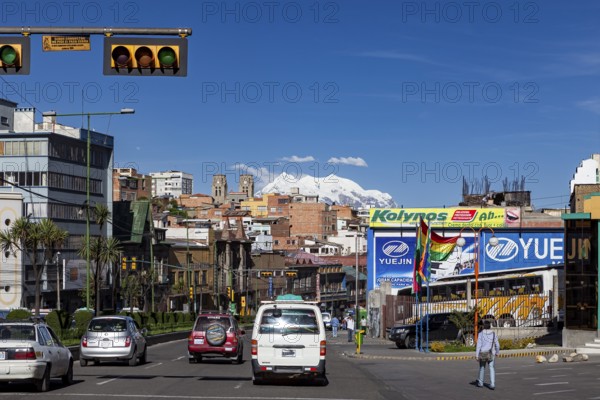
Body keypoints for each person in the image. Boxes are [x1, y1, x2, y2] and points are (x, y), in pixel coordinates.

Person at [475, 320, 500, 390]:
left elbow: (478, 346)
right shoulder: (494, 334)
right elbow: (497, 345)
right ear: (490, 326)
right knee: (491, 368)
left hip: (483, 353)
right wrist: (497, 352)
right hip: (491, 353)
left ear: (484, 326)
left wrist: (477, 355)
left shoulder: (481, 334)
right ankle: (492, 384)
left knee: (482, 367)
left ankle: (480, 383)